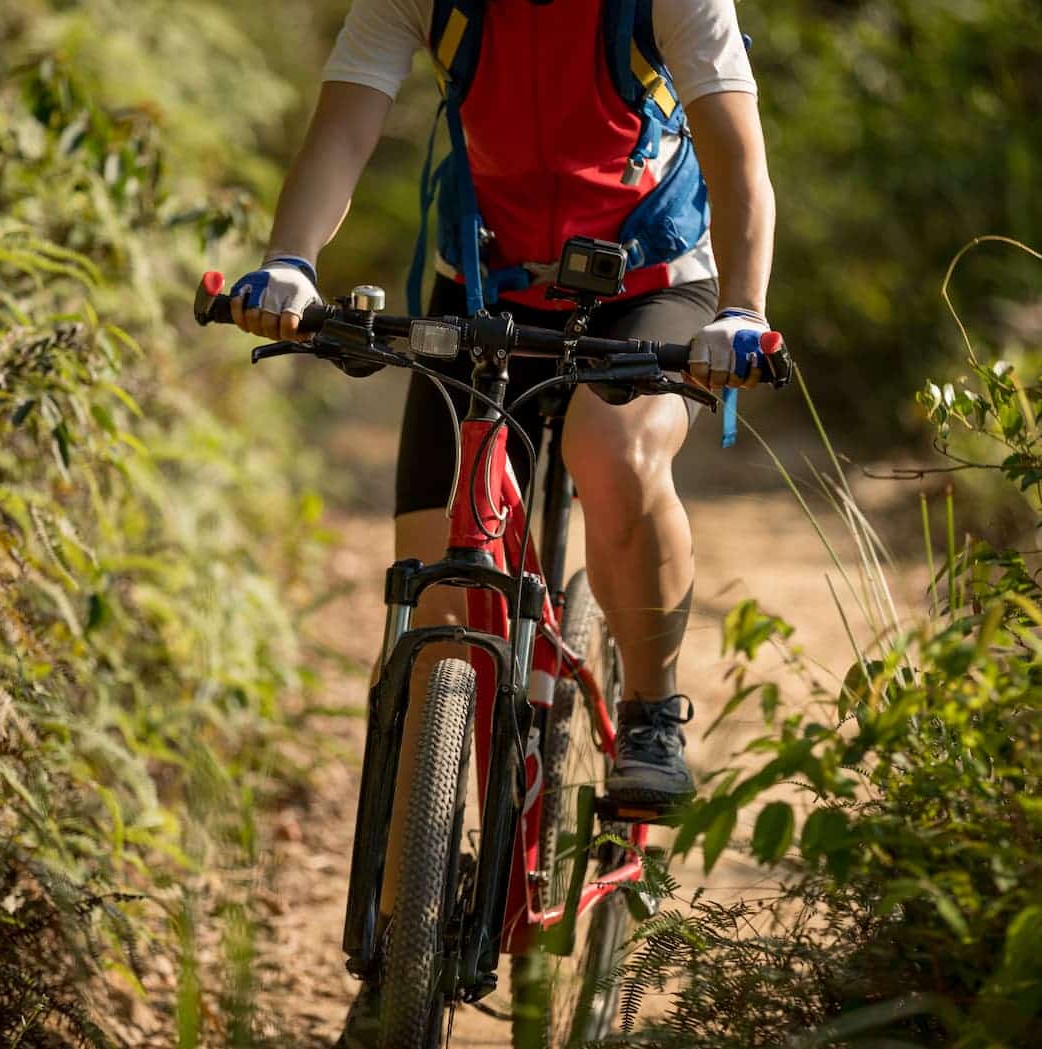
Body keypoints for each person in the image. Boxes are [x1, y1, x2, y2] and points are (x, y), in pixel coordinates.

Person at [227, 0, 775, 1033]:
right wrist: (292, 260)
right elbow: (345, 122)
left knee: (609, 454)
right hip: (482, 282)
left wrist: (741, 307)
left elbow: (735, 152)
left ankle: (649, 713)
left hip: (652, 285)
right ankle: (394, 962)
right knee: (434, 602)